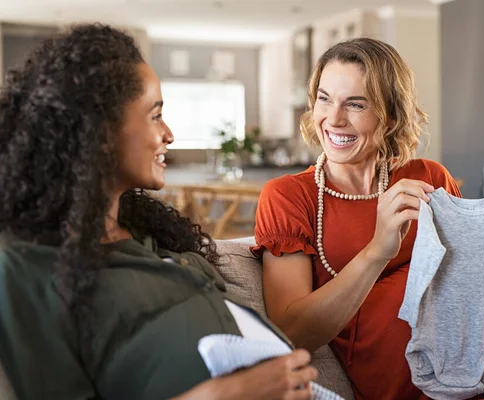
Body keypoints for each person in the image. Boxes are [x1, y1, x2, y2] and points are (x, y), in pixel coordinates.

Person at [252, 38, 484, 400]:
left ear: (389, 114)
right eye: (324, 98)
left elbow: (476, 311)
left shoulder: (431, 179)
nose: (334, 118)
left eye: (355, 104)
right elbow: (291, 333)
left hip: (481, 361)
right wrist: (378, 249)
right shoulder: (289, 197)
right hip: (407, 388)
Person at [0, 24, 318, 400]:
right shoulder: (23, 268)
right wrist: (221, 395)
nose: (169, 134)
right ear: (100, 133)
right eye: (155, 115)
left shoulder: (143, 232)